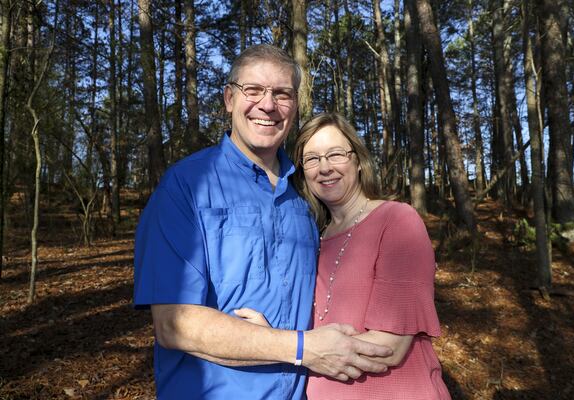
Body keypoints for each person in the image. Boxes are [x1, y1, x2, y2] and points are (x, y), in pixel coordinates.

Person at [133, 45, 392, 400]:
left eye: (281, 94)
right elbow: (174, 324)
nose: (267, 105)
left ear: (295, 106)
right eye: (253, 90)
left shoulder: (307, 193)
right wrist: (302, 348)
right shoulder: (186, 186)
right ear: (228, 98)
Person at [293, 112, 452, 399]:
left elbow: (388, 347)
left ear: (358, 161)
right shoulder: (315, 238)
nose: (325, 167)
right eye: (312, 159)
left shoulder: (397, 220)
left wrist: (298, 349)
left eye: (336, 154)